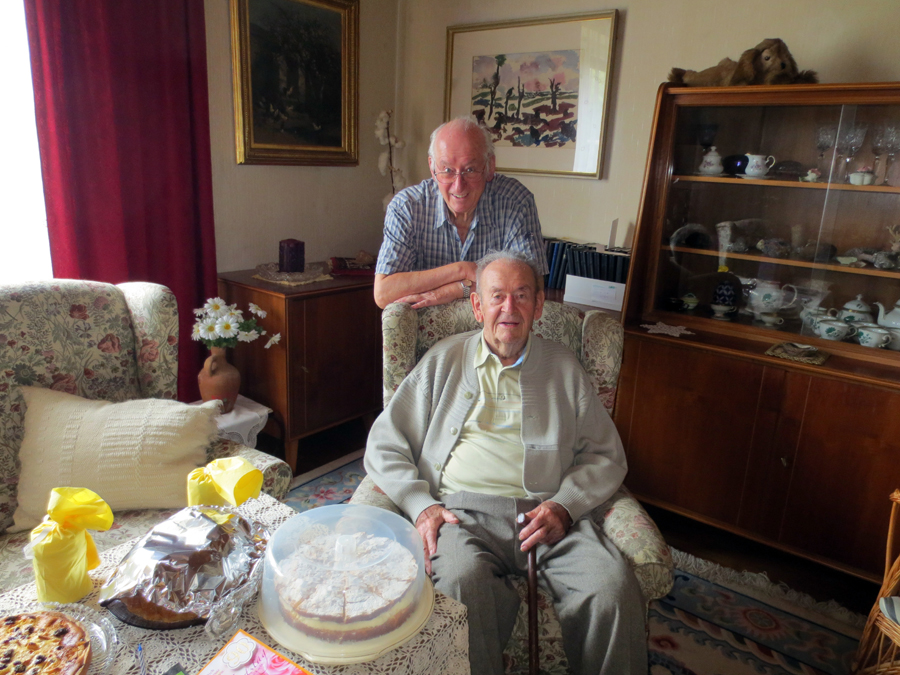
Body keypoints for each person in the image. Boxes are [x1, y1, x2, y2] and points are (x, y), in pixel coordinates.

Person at [364, 251, 647, 675]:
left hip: (548, 513)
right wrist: (421, 505)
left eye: (522, 295)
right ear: (478, 306)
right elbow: (384, 443)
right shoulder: (444, 359)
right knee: (461, 584)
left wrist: (564, 505)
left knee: (612, 588)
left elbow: (605, 454)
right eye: (497, 296)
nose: (509, 308)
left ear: (539, 305)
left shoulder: (564, 367)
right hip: (463, 515)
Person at [373, 116, 549, 309]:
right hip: (425, 326)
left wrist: (456, 290)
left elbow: (531, 288)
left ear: (489, 166)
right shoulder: (407, 207)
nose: (458, 185)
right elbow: (383, 294)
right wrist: (462, 270)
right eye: (447, 170)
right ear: (432, 168)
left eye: (470, 169)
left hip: (494, 326)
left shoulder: (516, 202)